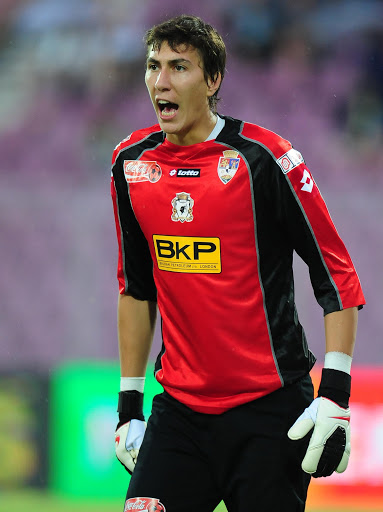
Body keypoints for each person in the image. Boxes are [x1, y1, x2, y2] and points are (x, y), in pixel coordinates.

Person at [111, 14, 365, 512]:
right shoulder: (130, 164)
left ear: (213, 80)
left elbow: (334, 274)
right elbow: (136, 288)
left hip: (270, 414)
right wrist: (128, 409)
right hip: (179, 414)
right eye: (153, 66)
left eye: (179, 67)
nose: (161, 81)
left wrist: (334, 394)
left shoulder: (266, 158)